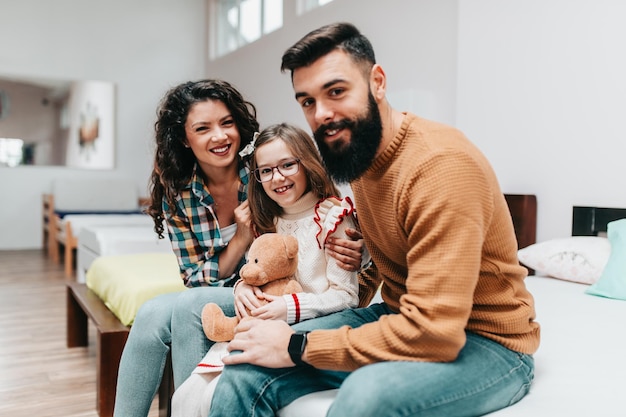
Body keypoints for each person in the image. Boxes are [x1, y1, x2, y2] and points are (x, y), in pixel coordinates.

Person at [207, 22, 541, 417]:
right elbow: (376, 274)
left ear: (377, 82)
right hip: (398, 315)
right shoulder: (360, 160)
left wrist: (298, 345)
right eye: (308, 102)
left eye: (336, 91)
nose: (322, 114)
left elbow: (436, 332)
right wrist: (355, 260)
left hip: (487, 341)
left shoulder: (441, 167)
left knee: (366, 398)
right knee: (247, 364)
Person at [113, 80, 364, 417]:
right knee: (152, 314)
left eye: (227, 123)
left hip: (279, 293)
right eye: (203, 128)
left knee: (187, 307)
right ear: (184, 139)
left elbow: (320, 238)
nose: (219, 136)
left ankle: (195, 407)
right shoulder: (181, 194)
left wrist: (363, 252)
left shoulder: (261, 173)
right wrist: (241, 241)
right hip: (229, 287)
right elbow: (196, 278)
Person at [171, 122, 364, 417]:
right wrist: (243, 287)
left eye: (287, 165)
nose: (278, 178)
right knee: (186, 397)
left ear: (307, 163)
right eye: (266, 171)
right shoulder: (268, 220)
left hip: (314, 324)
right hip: (266, 322)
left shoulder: (333, 218)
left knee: (220, 388)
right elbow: (259, 271)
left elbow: (346, 296)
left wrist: (289, 307)